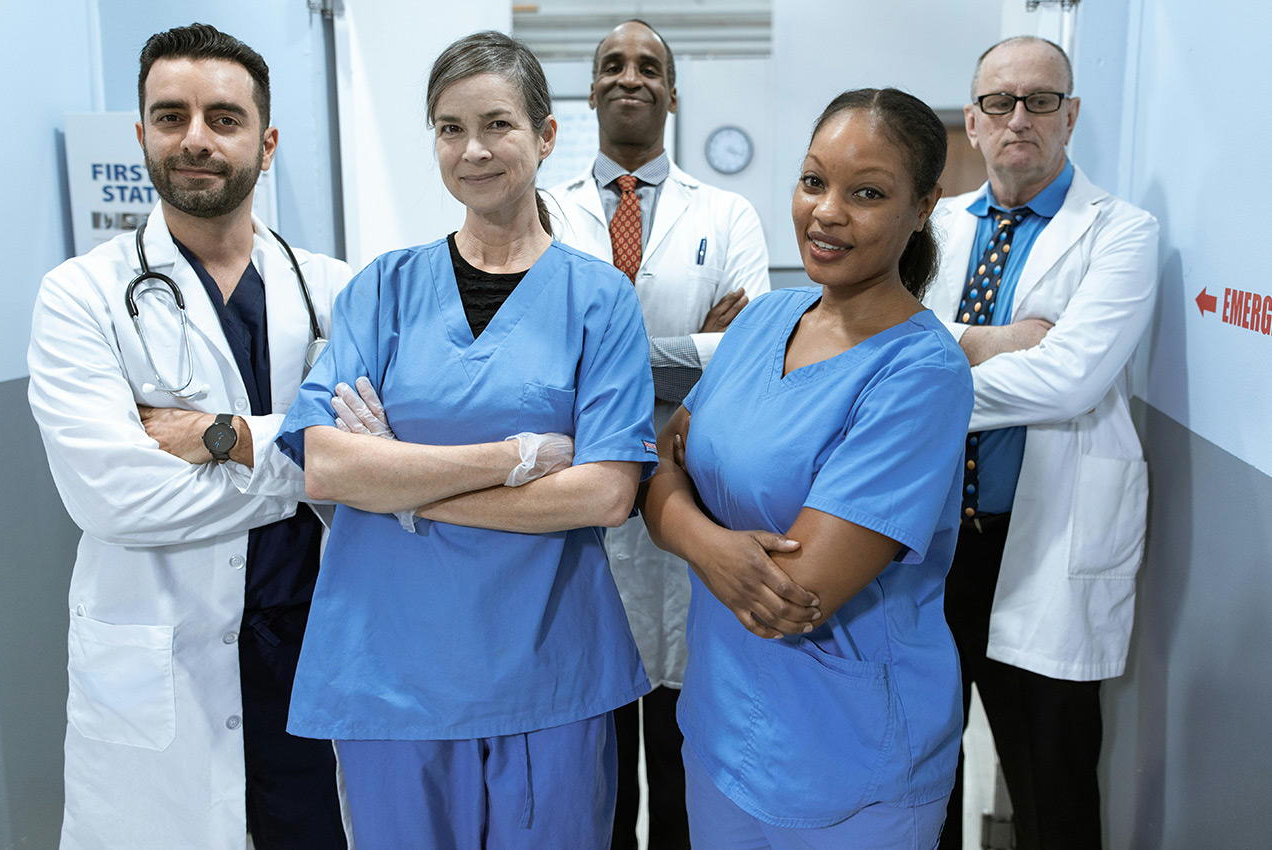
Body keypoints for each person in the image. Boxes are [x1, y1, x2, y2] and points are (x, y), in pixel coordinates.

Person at [273, 31, 658, 850]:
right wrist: (515, 459)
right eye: (450, 128)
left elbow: (605, 493)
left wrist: (402, 488)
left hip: (549, 667)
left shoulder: (599, 301)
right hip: (390, 672)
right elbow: (326, 463)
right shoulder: (383, 288)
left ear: (546, 135)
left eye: (497, 124)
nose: (473, 149)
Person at [26, 23, 353, 850]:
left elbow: (378, 456)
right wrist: (317, 461)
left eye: (223, 118)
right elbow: (117, 498)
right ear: (141, 134)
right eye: (170, 117)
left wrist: (224, 437)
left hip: (313, 659)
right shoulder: (80, 298)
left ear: (266, 141)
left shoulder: (337, 291)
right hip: (161, 666)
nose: (195, 139)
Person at [642, 88, 974, 849]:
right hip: (723, 725)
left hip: (851, 759)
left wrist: (678, 515)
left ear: (923, 207)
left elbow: (791, 595)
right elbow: (660, 457)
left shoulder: (920, 372)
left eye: (867, 193)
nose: (826, 212)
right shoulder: (763, 319)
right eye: (813, 181)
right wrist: (712, 545)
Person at [923, 37, 1159, 850]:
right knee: (921, 774)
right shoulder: (938, 227)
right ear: (974, 120)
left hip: (1041, 543)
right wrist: (1001, 341)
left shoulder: (1122, 233)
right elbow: (882, 345)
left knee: (1052, 785)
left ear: (1072, 115)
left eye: (1041, 100)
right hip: (930, 545)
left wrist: (931, 368)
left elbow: (1070, 380)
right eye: (1000, 102)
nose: (1019, 118)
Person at [548, 20, 771, 847]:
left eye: (649, 67)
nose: (630, 77)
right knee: (596, 752)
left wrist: (597, 355)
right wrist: (687, 353)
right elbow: (531, 355)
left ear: (672, 95)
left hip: (689, 492)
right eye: (612, 64)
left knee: (684, 742)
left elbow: (742, 356)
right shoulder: (545, 209)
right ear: (593, 89)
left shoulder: (729, 212)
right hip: (581, 500)